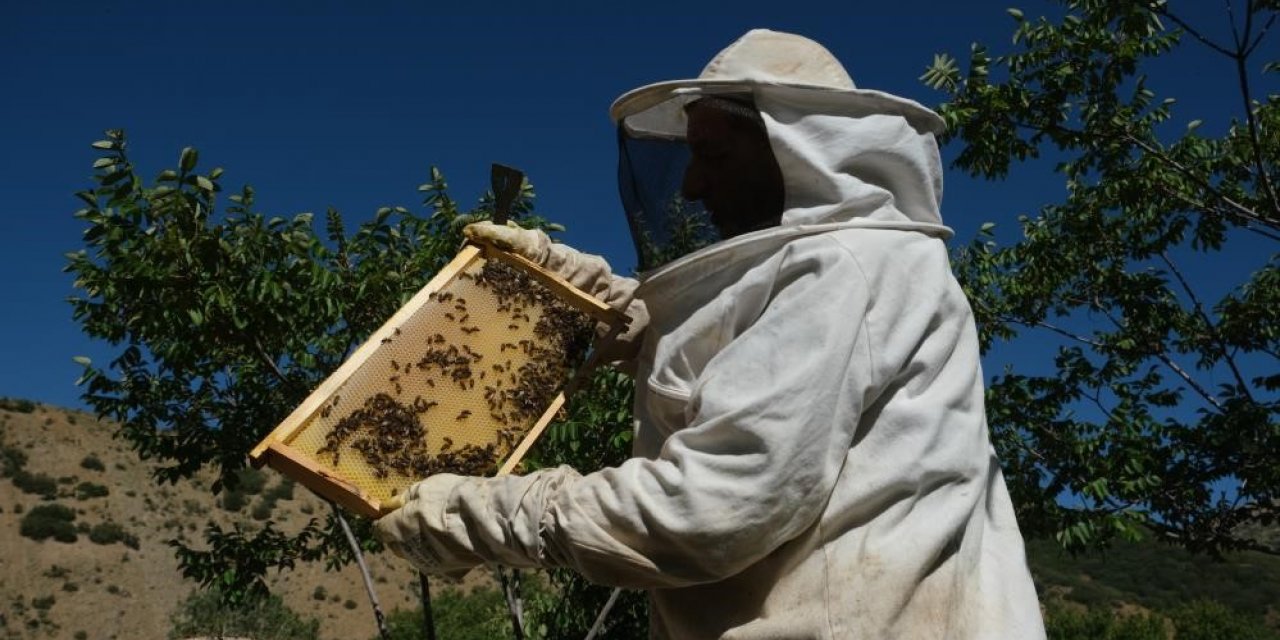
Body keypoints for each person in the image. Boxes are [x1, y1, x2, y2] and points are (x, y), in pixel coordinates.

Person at [376, 29, 1047, 638]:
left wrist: (472, 516)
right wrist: (560, 281)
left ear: (795, 156)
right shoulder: (844, 271)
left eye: (713, 157)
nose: (692, 186)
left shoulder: (844, 267)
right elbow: (704, 338)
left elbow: (711, 507)